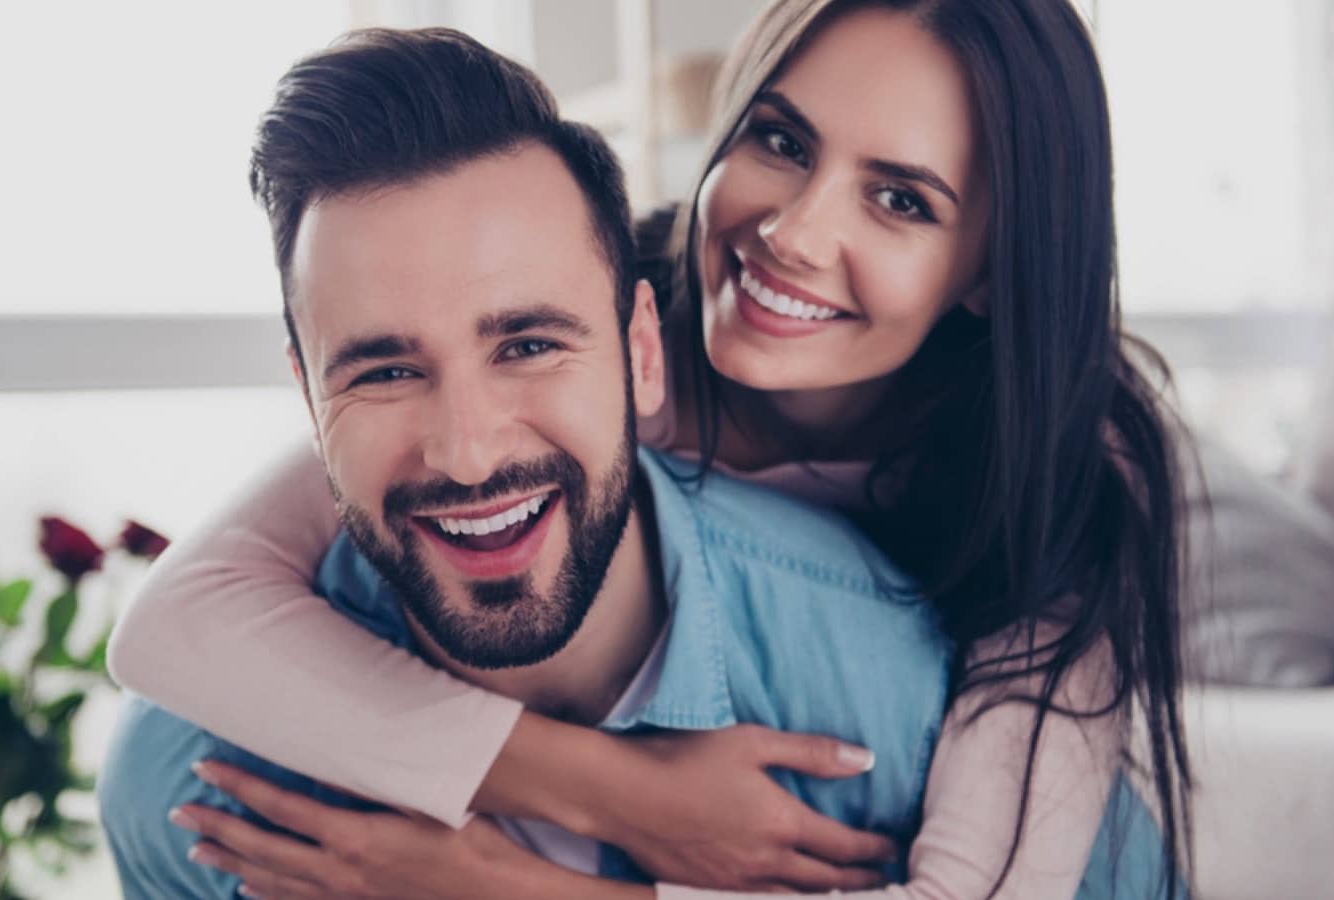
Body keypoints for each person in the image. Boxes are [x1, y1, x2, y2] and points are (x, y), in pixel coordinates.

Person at [108, 0, 1194, 897]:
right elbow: (179, 621)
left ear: (993, 269)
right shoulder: (586, 330)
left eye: (900, 199)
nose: (795, 234)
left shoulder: (1065, 467)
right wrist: (602, 788)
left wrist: (506, 889)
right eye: (780, 140)